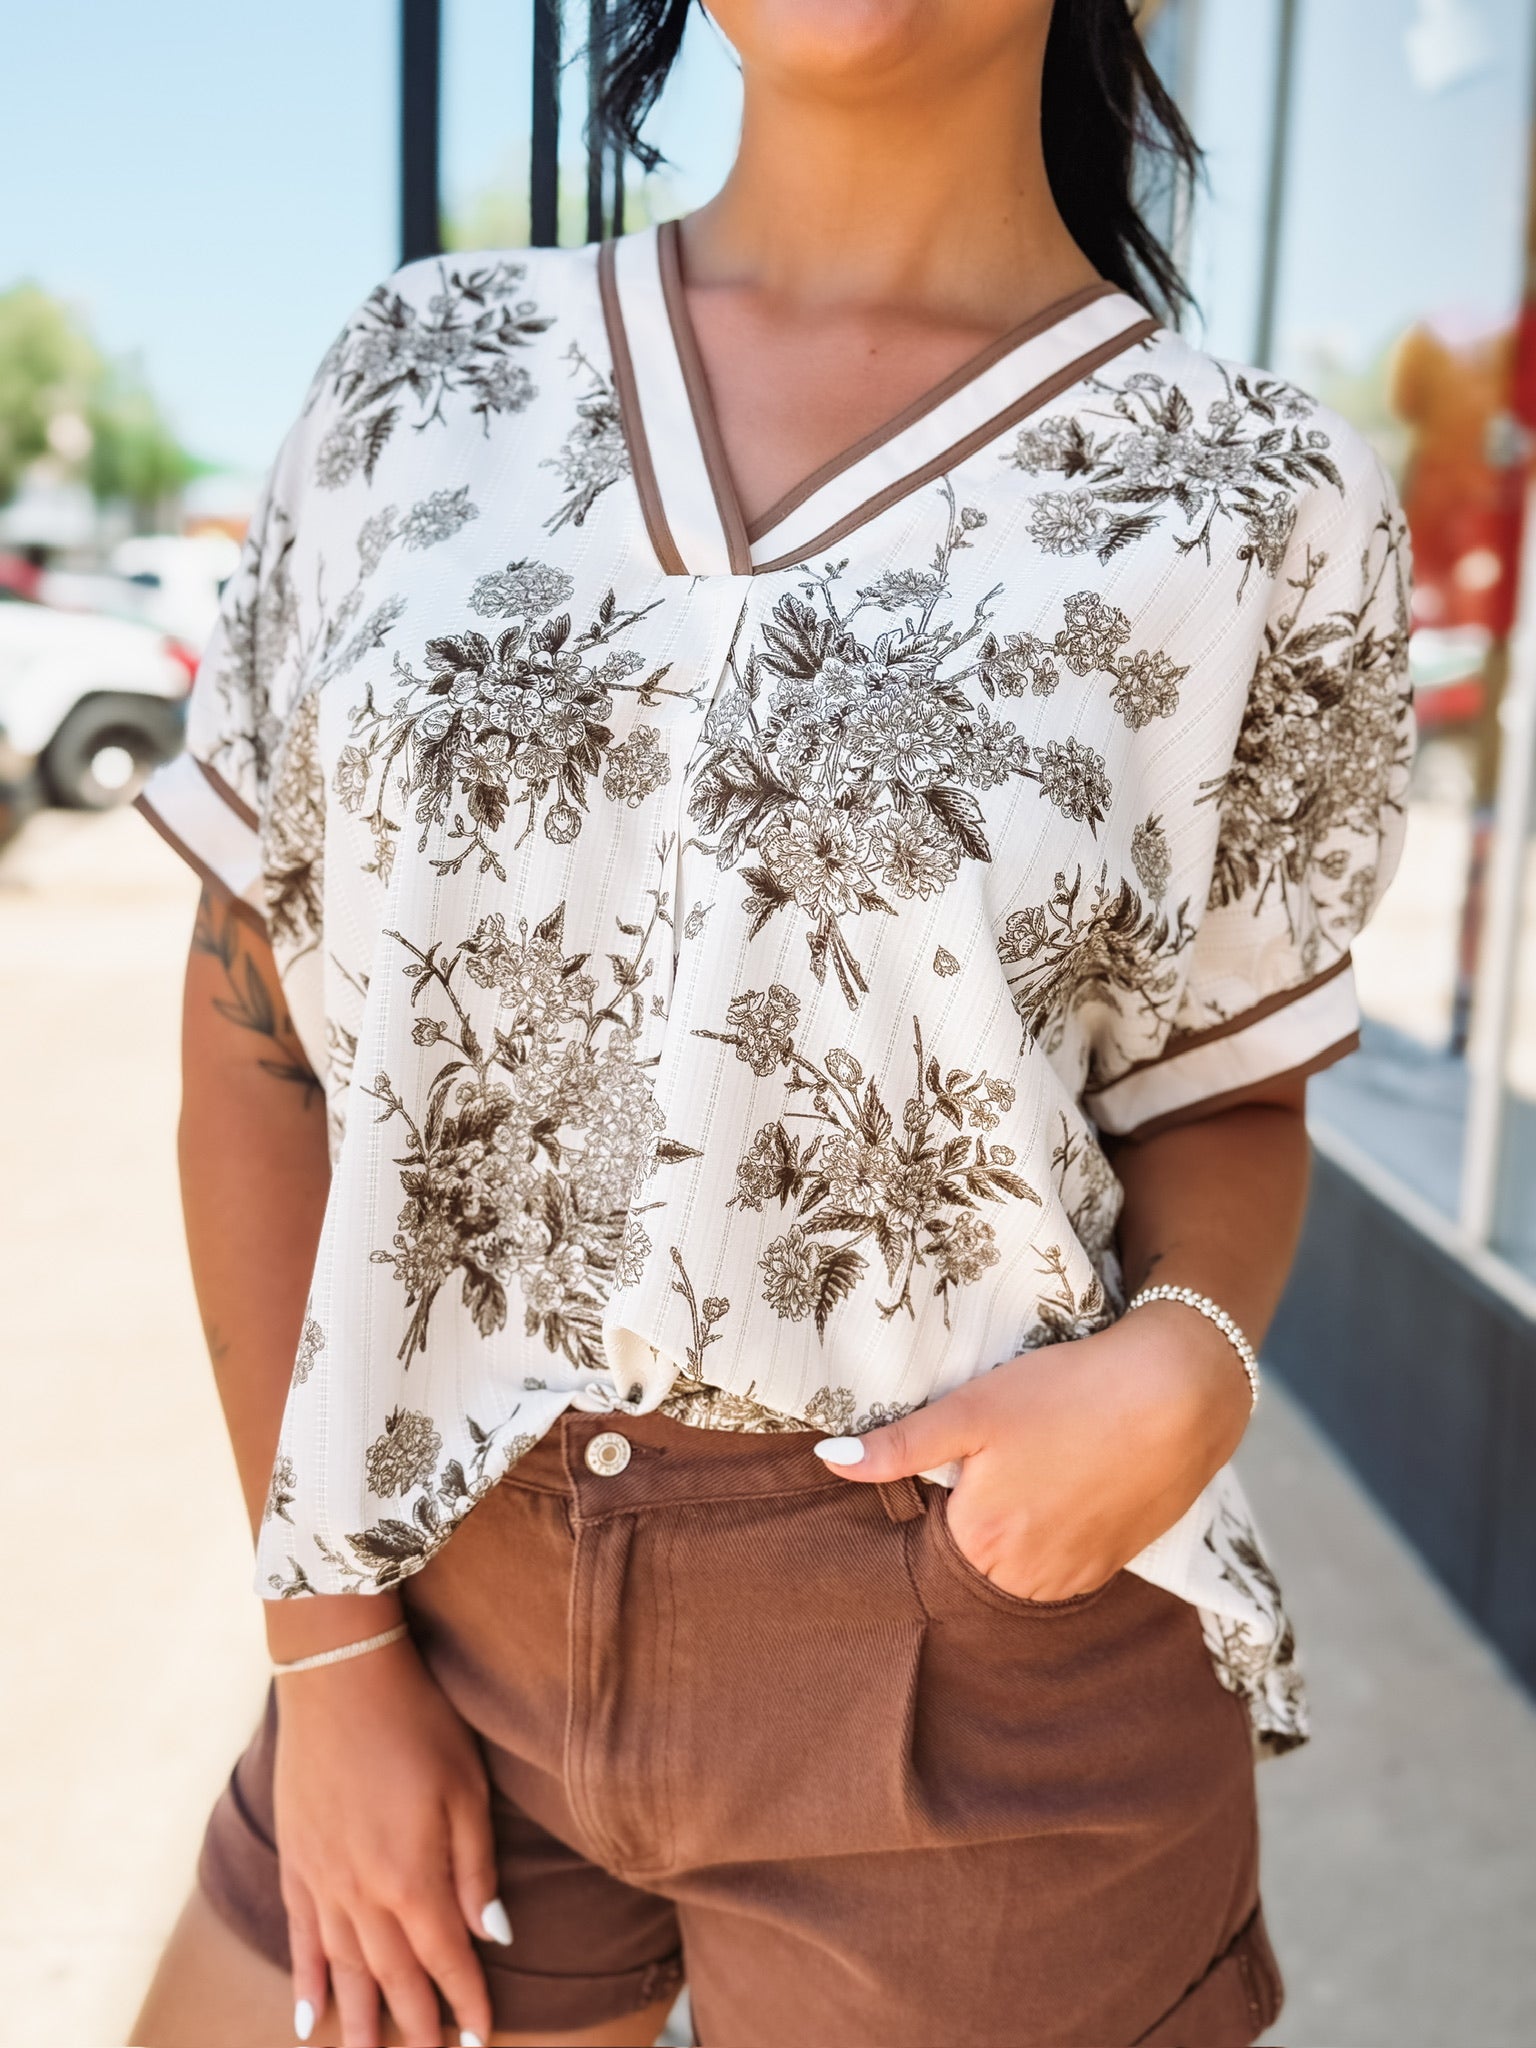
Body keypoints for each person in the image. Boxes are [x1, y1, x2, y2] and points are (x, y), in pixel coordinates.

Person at [129, 2, 1414, 2043]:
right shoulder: (425, 375)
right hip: (441, 1577)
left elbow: (1225, 1094)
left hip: (981, 1651)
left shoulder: (1255, 501)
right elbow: (254, 1032)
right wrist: (327, 1650)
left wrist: (1191, 1364)